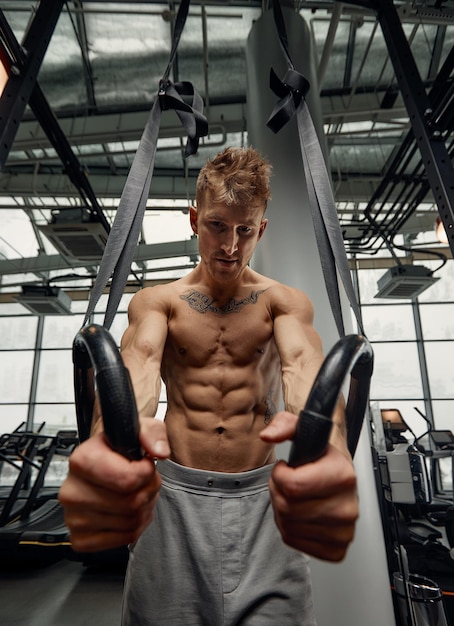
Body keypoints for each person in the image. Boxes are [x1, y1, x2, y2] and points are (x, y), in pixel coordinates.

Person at [59, 146, 359, 626]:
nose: (231, 246)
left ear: (261, 228)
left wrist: (332, 452)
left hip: (263, 503)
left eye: (245, 230)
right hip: (173, 502)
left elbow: (304, 370)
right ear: (195, 218)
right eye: (218, 226)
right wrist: (110, 444)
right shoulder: (159, 302)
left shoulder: (282, 302)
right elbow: (137, 366)